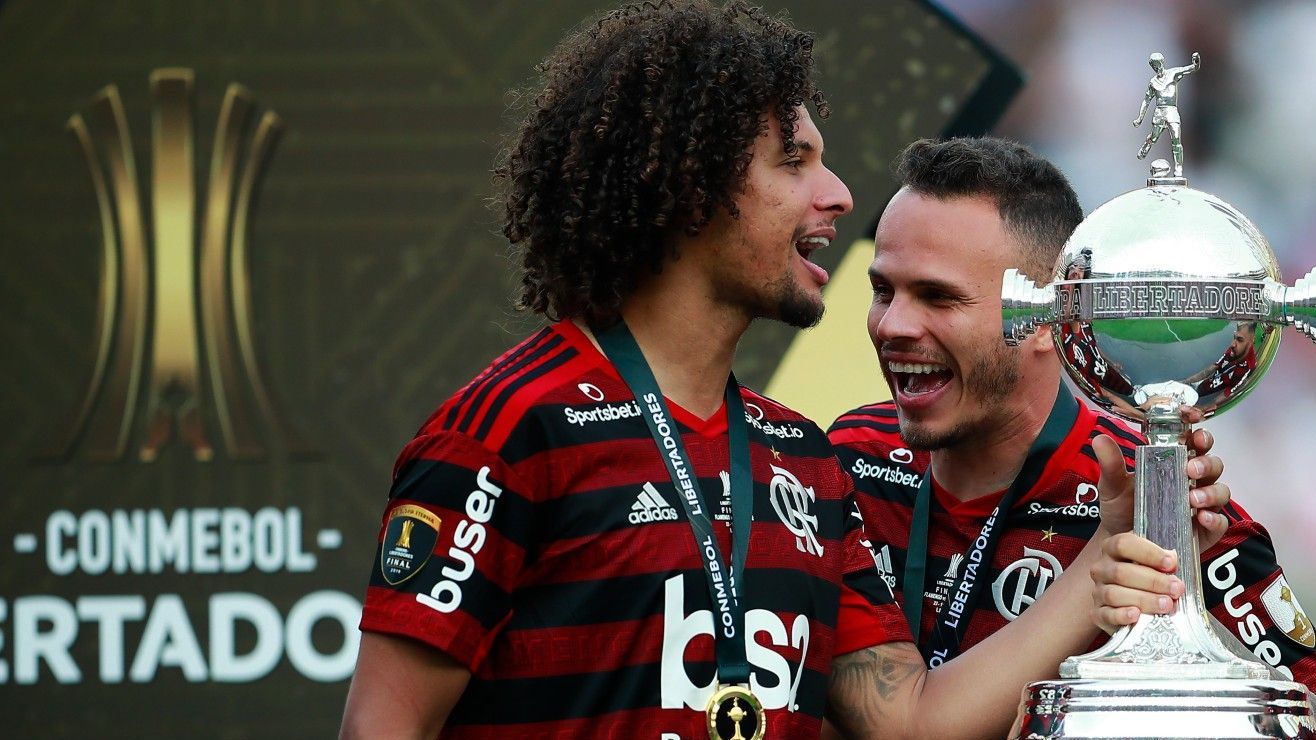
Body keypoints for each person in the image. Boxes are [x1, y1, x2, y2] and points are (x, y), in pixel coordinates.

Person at [338, 5, 1227, 738]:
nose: (837, 194)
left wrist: (1106, 559)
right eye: (793, 161)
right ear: (691, 187)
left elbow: (909, 722)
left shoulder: (801, 456)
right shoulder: (511, 427)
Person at [829, 137, 1315, 692]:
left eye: (938, 297)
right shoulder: (847, 457)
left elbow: (1302, 703)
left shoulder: (1162, 511)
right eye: (883, 290)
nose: (892, 325)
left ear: (1045, 317)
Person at [1134, 51, 1201, 177]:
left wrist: (1196, 61)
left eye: (1157, 64)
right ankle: (1147, 145)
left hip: (1171, 111)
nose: (1156, 68)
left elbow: (1191, 68)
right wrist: (1140, 118)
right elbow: (1146, 100)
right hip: (1159, 112)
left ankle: (1178, 168)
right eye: (1153, 66)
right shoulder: (1153, 82)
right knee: (1154, 137)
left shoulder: (1173, 73)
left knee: (1176, 140)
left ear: (1162, 63)